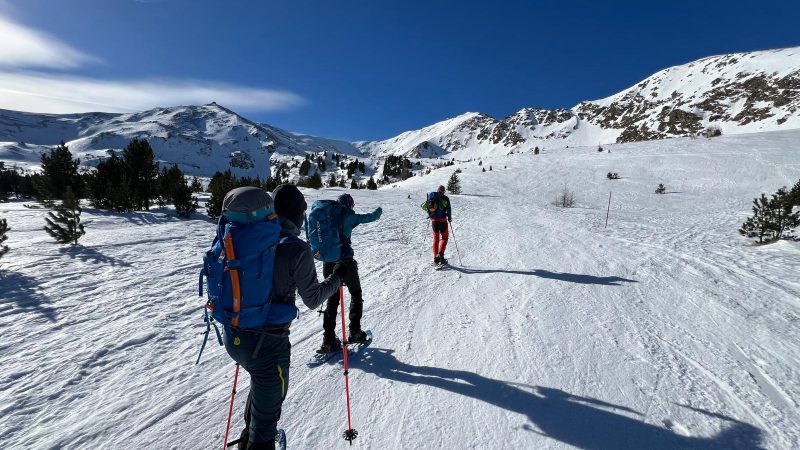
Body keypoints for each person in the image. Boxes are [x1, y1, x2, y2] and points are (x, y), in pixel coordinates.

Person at [221, 185, 347, 450]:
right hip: (268, 345)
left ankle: (248, 435)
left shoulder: (252, 239)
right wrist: (336, 279)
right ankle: (257, 439)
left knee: (260, 381)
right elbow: (313, 299)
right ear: (298, 215)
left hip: (235, 334)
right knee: (267, 415)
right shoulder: (297, 249)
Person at [319, 193, 382, 353]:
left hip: (328, 263)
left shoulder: (327, 217)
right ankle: (355, 331)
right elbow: (370, 217)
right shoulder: (348, 216)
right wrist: (379, 211)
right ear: (349, 205)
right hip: (345, 263)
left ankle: (329, 339)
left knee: (332, 301)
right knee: (356, 293)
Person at [422, 185, 452, 264]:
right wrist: (449, 218)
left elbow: (426, 207)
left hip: (434, 221)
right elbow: (449, 209)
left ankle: (436, 257)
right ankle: (441, 255)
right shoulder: (445, 198)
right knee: (445, 238)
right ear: (444, 191)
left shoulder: (432, 197)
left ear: (437, 190)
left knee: (436, 239)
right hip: (443, 221)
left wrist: (431, 214)